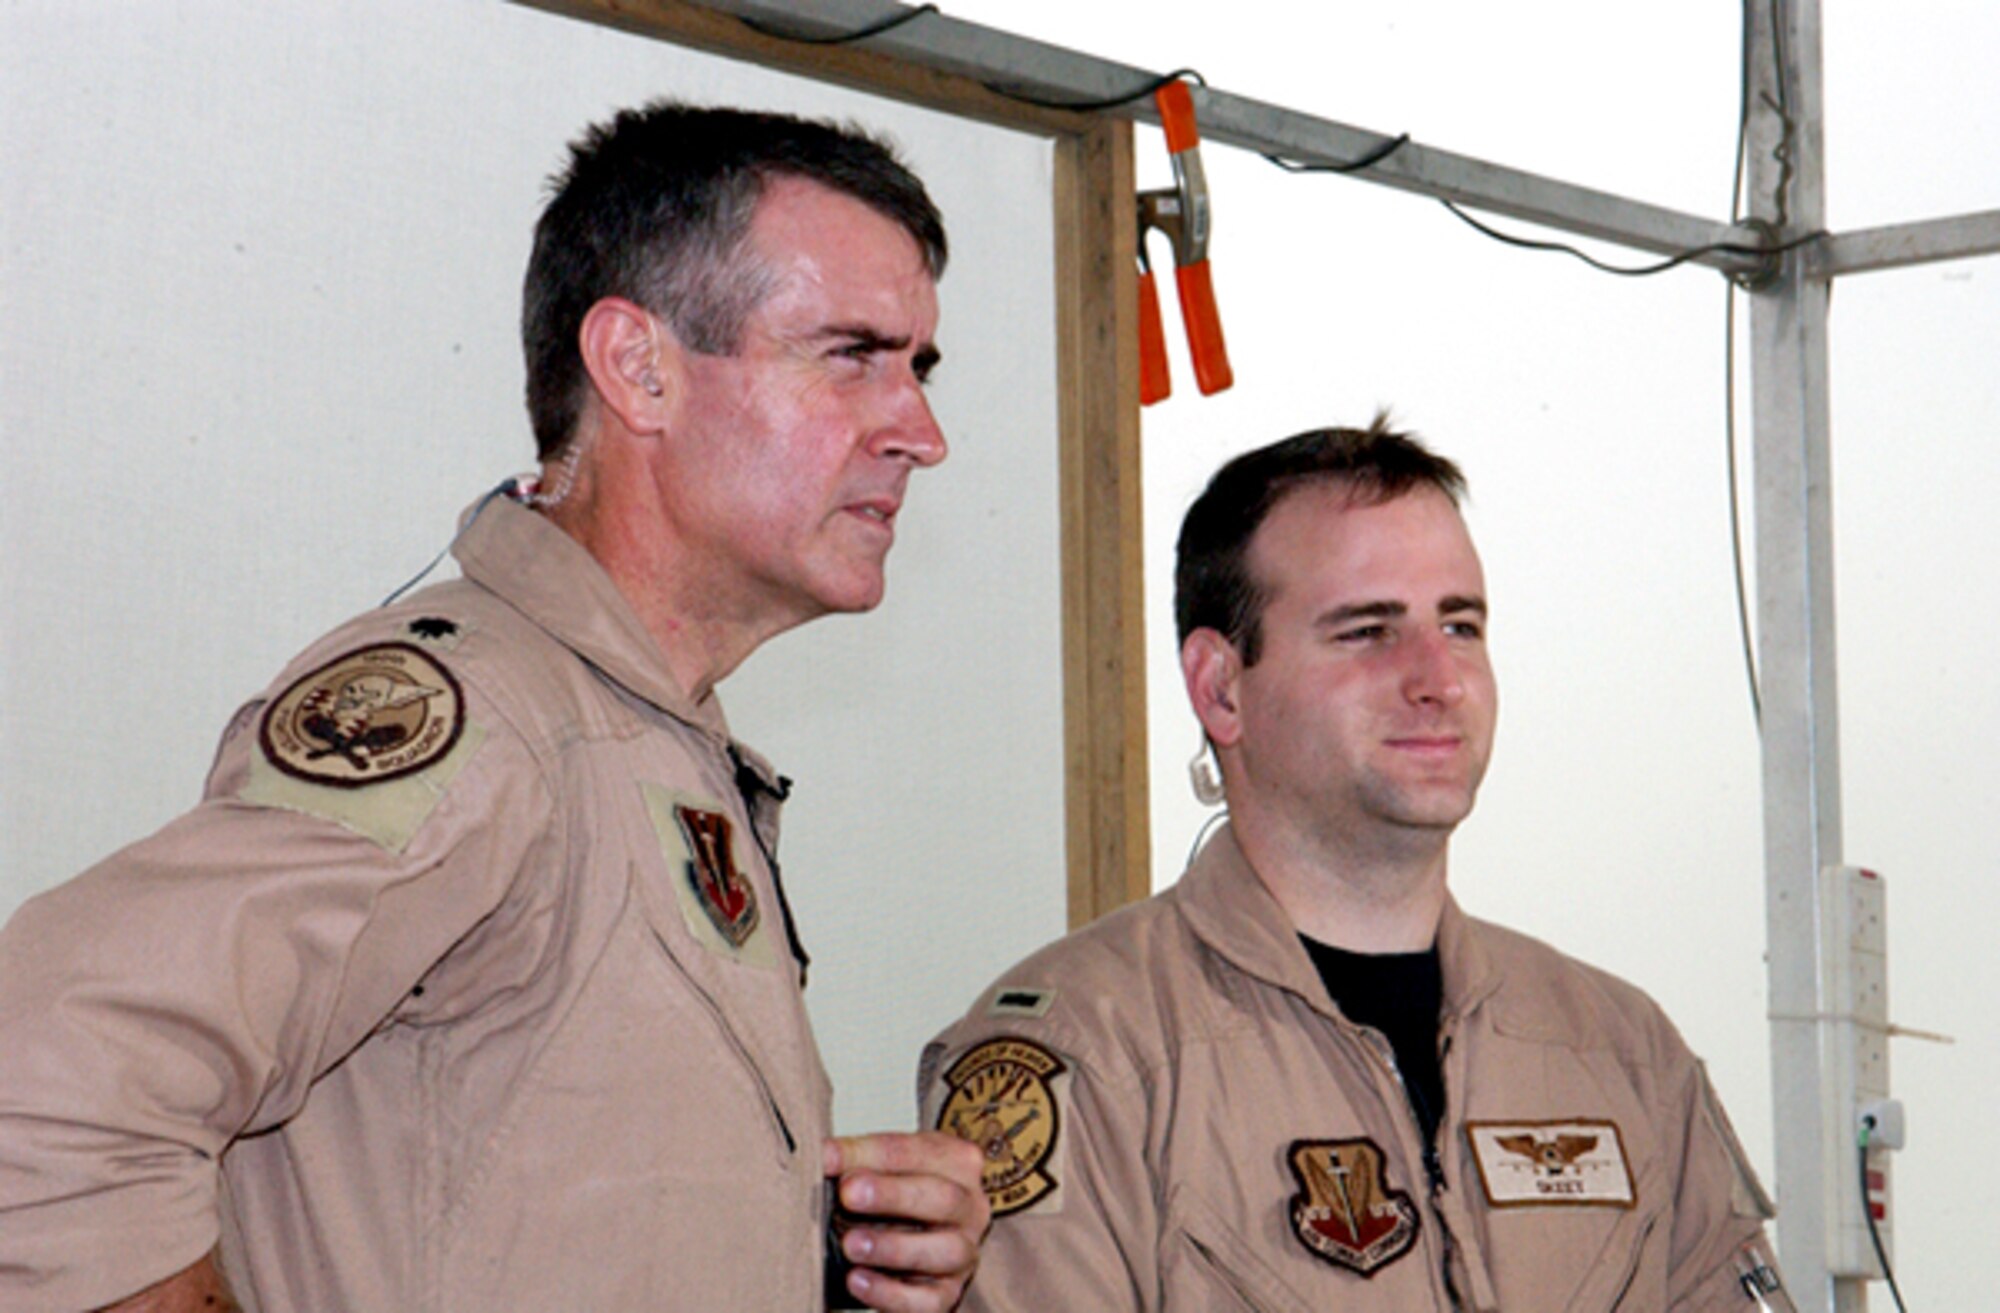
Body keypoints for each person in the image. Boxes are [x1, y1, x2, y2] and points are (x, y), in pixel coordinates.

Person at [0, 101, 987, 1312]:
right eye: (852, 355)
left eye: (919, 368)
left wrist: (812, 1254)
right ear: (637, 366)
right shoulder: (484, 717)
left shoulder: (651, 745)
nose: (920, 433)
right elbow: (42, 1079)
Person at [920, 418, 1793, 1310]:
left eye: (1460, 625)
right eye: (1368, 630)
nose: (1437, 678)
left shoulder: (1619, 1050)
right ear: (1221, 687)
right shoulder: (1085, 1056)